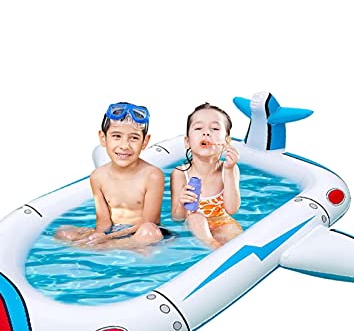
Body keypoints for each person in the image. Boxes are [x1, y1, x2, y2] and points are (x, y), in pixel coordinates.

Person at [55, 102, 167, 251]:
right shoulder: (98, 176)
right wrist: (97, 235)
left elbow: (149, 222)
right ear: (103, 138)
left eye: (133, 138)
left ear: (144, 142)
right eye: (116, 136)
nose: (124, 146)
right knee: (63, 231)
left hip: (140, 232)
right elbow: (103, 223)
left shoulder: (152, 175)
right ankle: (113, 247)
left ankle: (108, 247)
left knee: (149, 232)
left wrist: (107, 239)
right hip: (114, 233)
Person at [170, 103, 242, 249]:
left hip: (222, 221)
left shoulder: (229, 169)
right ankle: (213, 246)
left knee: (237, 240)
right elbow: (177, 217)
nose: (206, 133)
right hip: (194, 225)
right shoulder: (180, 173)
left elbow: (232, 209)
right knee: (196, 218)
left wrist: (229, 170)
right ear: (187, 142)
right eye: (198, 128)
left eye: (215, 128)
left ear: (226, 142)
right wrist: (182, 202)